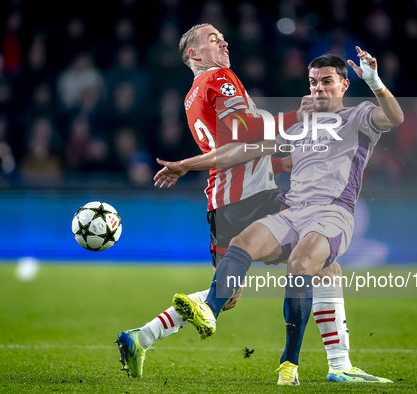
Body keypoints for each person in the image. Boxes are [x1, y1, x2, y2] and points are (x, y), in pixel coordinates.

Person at [169, 48, 403, 385]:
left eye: (326, 82)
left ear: (344, 85)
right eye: (313, 83)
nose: (318, 88)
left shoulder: (359, 117)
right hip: (293, 210)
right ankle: (211, 310)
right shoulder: (299, 125)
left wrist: (375, 81)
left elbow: (394, 118)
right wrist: (187, 165)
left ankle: (289, 364)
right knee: (242, 241)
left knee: (300, 263)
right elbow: (244, 150)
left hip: (333, 213)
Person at [114, 23, 315, 378]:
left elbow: (239, 147)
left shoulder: (192, 96)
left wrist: (282, 160)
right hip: (251, 197)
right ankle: (302, 365)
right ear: (193, 54)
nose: (223, 41)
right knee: (315, 255)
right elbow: (244, 138)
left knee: (227, 294)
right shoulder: (221, 77)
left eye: (222, 37)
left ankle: (140, 338)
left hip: (223, 203)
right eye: (212, 39)